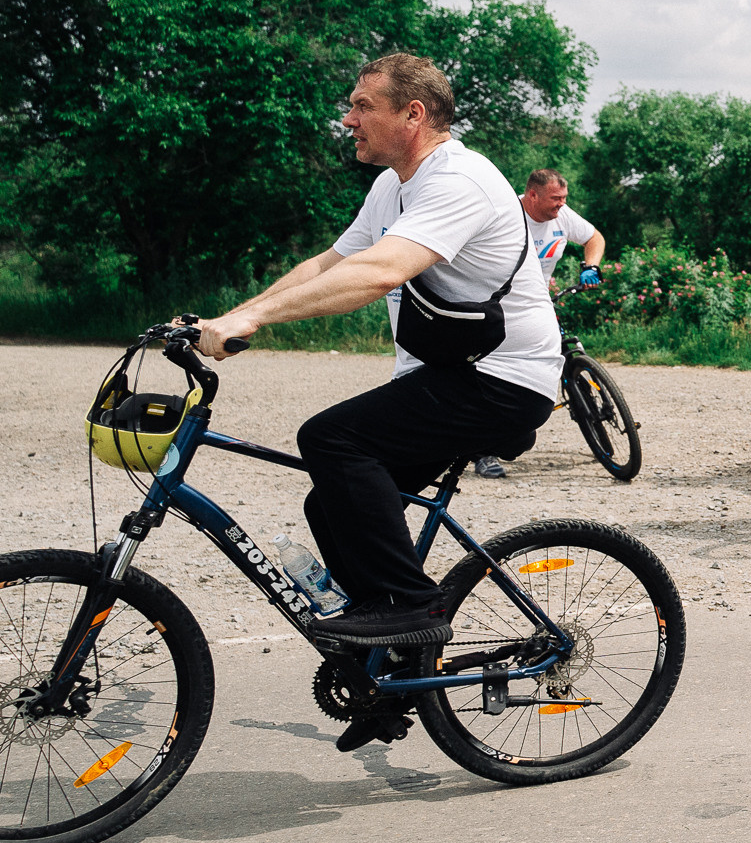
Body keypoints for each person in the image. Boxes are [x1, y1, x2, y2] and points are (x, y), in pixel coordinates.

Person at [189, 53, 559, 651]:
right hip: (451, 371)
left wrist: (255, 317)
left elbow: (379, 272)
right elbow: (330, 264)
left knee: (332, 439)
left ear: (413, 114)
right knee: (332, 502)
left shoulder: (459, 182)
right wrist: (236, 315)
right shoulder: (393, 185)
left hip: (504, 378)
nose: (348, 119)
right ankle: (388, 667)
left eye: (362, 106)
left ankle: (411, 605)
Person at [473, 169, 609, 479]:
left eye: (564, 200)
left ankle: (589, 397)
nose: (561, 206)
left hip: (537, 301)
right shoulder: (504, 214)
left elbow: (593, 237)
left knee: (564, 349)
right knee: (495, 374)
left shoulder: (560, 215)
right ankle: (483, 451)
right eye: (555, 200)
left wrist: (592, 265)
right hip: (498, 304)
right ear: (532, 195)